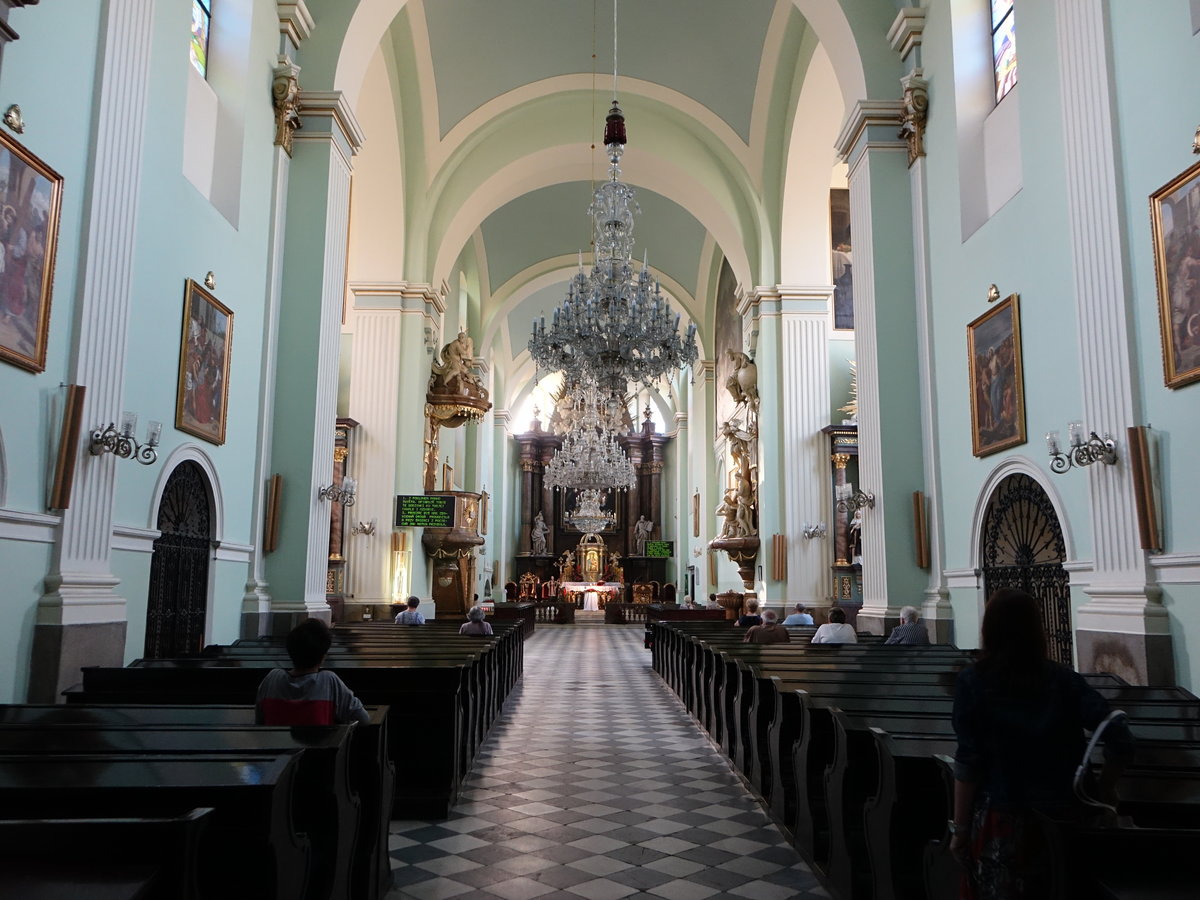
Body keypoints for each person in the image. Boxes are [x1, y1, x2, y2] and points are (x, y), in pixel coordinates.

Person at [950, 589, 1134, 898]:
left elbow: (968, 763)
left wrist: (961, 829)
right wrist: (1104, 788)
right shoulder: (1064, 679)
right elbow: (1119, 734)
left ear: (988, 630)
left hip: (1003, 817)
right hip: (1066, 817)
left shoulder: (973, 682)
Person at [255, 618, 369, 725]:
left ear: (290, 651)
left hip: (275, 745)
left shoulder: (272, 679)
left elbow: (260, 721)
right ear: (323, 656)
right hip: (319, 745)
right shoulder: (329, 681)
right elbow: (363, 719)